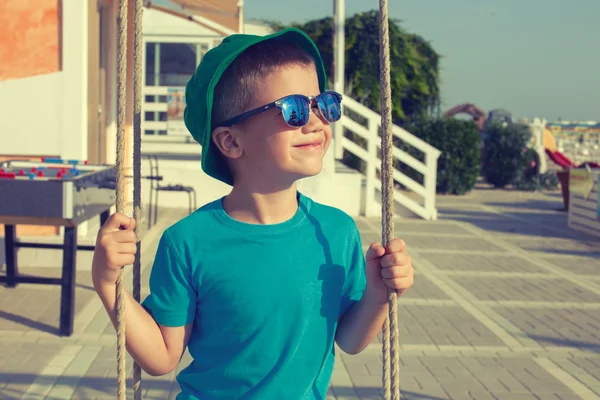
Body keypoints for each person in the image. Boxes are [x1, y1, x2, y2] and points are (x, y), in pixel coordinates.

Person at [92, 28, 414, 399]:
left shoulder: (336, 232)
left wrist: (378, 293)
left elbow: (350, 340)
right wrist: (105, 281)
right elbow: (162, 357)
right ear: (231, 141)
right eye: (293, 110)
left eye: (323, 104)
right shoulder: (188, 242)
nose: (315, 122)